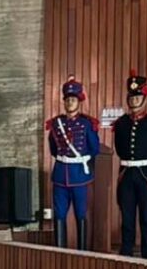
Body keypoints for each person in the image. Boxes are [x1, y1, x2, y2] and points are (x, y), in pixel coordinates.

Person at [112, 70, 147, 259]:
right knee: (127, 217)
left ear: (145, 98)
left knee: (146, 218)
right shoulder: (120, 123)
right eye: (132, 97)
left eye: (138, 97)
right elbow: (119, 148)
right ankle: (126, 253)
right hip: (127, 173)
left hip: (146, 174)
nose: (134, 100)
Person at [46, 76, 100, 250]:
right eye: (67, 99)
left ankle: (82, 253)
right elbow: (53, 148)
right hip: (61, 175)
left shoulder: (86, 124)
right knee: (59, 215)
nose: (70, 102)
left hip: (79, 176)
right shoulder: (56, 124)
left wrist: (81, 161)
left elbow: (94, 148)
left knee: (80, 214)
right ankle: (60, 253)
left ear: (79, 101)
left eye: (73, 99)